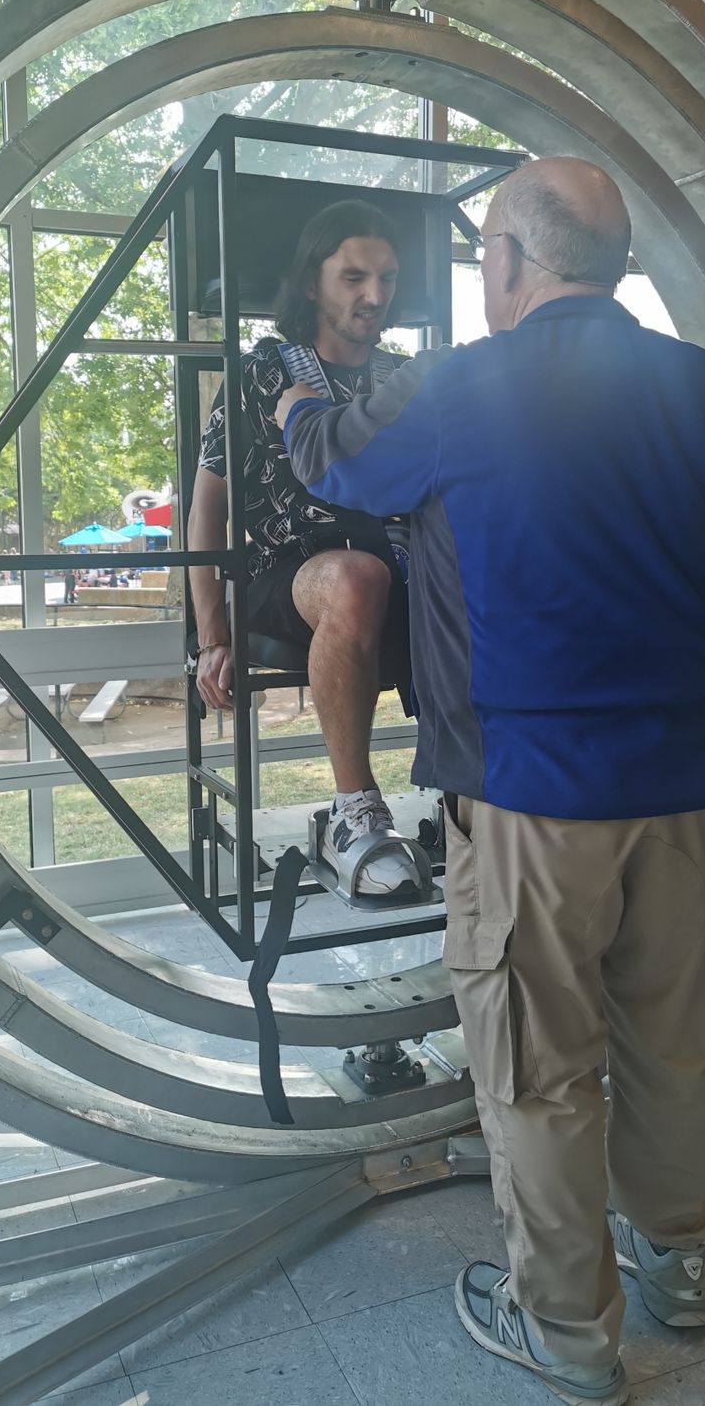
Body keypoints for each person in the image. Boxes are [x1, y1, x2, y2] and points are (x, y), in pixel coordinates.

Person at [278, 157, 705, 1406]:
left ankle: (568, 1332)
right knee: (672, 1044)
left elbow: (340, 468)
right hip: (691, 785)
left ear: (504, 261)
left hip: (534, 787)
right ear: (620, 264)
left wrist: (287, 398)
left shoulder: (463, 388)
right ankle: (679, 1268)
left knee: (541, 1070)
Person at [188, 198, 423, 899]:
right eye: (353, 276)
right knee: (355, 580)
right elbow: (208, 505)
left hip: (397, 566)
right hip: (287, 573)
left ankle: (474, 794)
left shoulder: (403, 377)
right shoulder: (267, 370)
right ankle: (354, 811)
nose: (374, 294)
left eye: (385, 277)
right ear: (313, 283)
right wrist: (211, 635)